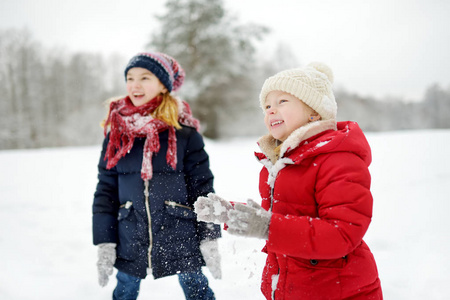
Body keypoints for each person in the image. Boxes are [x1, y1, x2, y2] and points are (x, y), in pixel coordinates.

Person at [195, 63, 383, 299]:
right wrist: (231, 213)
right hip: (289, 287)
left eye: (282, 102)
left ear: (314, 112)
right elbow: (281, 218)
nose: (271, 110)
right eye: (267, 106)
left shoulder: (338, 160)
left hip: (336, 290)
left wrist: (269, 227)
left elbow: (342, 233)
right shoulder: (278, 164)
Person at [92, 51, 221, 300]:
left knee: (196, 288)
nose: (135, 85)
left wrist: (209, 237)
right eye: (130, 78)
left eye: (145, 77)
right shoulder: (116, 135)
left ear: (163, 85)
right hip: (130, 232)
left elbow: (203, 189)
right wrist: (105, 242)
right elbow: (105, 190)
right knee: (125, 289)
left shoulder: (184, 134)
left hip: (180, 231)